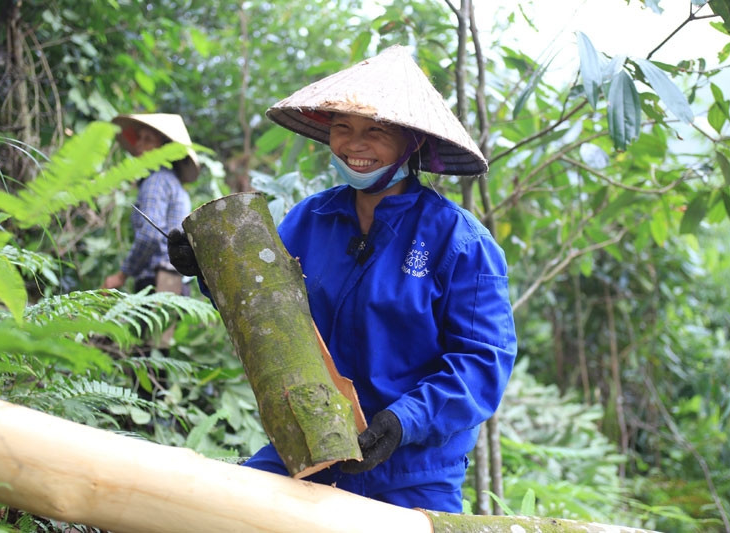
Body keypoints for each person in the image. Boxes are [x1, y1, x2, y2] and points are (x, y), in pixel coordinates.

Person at [168, 45, 517, 513]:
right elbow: (266, 307)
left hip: (412, 471)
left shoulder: (461, 242)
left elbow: (482, 363)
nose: (355, 145)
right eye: (343, 128)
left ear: (411, 143)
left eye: (376, 131)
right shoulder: (309, 219)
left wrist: (401, 421)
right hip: (314, 447)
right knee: (219, 512)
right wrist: (209, 270)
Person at [103, 113, 199, 348]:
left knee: (144, 363)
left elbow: (149, 235)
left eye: (148, 140)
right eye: (140, 139)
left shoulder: (156, 181)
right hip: (173, 282)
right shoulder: (174, 184)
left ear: (163, 149)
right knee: (156, 360)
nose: (138, 145)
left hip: (158, 280)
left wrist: (121, 275)